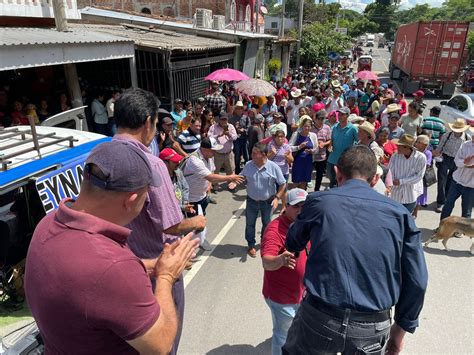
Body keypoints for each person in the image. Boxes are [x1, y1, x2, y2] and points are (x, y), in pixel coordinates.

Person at [25, 140, 200, 354]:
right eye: (147, 195)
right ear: (131, 199)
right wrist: (166, 276)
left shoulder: (47, 224)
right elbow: (161, 345)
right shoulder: (114, 267)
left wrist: (150, 265)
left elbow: (88, 281)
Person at [283, 145, 428, 355]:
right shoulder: (401, 215)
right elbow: (418, 280)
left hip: (320, 318)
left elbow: (293, 242)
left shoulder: (318, 201)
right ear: (374, 179)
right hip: (372, 328)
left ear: (337, 173)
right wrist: (400, 331)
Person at [113, 88, 206, 354]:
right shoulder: (152, 165)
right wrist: (197, 221)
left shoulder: (101, 155)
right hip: (158, 266)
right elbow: (171, 224)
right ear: (147, 123)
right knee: (166, 336)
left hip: (123, 263)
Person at [261, 188, 309, 355]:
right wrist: (280, 260)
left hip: (302, 293)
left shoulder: (306, 223)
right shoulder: (275, 230)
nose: (301, 210)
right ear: (286, 206)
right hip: (282, 298)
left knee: (298, 331)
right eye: (296, 206)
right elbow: (266, 262)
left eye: (305, 205)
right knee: (282, 336)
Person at [230, 143, 286, 258]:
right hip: (251, 201)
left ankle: (264, 242)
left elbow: (282, 184)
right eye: (252, 152)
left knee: (267, 224)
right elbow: (243, 176)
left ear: (264, 155)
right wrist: (235, 181)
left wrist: (277, 198)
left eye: (255, 153)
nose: (252, 155)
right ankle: (251, 245)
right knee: (250, 224)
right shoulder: (248, 165)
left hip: (267, 202)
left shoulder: (273, 167)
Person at [182, 137, 244, 218]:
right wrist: (230, 177)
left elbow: (211, 171)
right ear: (204, 149)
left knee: (202, 217)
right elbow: (211, 177)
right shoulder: (195, 161)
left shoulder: (209, 156)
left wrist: (209, 185)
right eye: (213, 150)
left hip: (202, 196)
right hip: (191, 200)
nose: (215, 152)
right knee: (193, 223)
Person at [433, 118, 469, 213]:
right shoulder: (447, 135)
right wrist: (436, 155)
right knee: (441, 180)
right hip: (445, 158)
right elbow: (440, 146)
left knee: (451, 180)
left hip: (457, 160)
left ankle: (445, 198)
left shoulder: (466, 138)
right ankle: (440, 202)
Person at [440, 128, 474, 220]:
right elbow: (457, 161)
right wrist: (465, 163)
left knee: (466, 211)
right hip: (457, 182)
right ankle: (441, 227)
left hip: (471, 187)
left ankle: (462, 231)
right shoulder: (466, 145)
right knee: (447, 205)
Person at [388, 134, 427, 213]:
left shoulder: (421, 158)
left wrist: (401, 181)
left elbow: (419, 176)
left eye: (399, 146)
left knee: (406, 219)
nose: (397, 148)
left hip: (410, 194)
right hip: (395, 194)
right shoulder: (395, 156)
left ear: (407, 147)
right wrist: (391, 182)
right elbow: (390, 171)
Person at [327, 107, 358, 188]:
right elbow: (331, 140)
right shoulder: (334, 127)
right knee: (332, 183)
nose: (339, 116)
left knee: (343, 183)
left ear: (347, 115)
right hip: (332, 160)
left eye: (342, 114)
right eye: (339, 114)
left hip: (345, 161)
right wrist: (330, 145)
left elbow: (359, 142)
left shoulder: (353, 128)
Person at [289, 117, 319, 190]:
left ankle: (302, 199)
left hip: (308, 162)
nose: (307, 128)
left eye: (309, 126)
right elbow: (289, 147)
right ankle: (292, 199)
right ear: (302, 126)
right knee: (296, 182)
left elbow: (316, 149)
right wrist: (299, 147)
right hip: (298, 161)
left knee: (304, 182)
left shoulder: (313, 135)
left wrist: (312, 151)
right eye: (305, 126)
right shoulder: (296, 134)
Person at [208, 112, 238, 179]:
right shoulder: (213, 127)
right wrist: (219, 135)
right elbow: (209, 137)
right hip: (217, 154)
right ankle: (215, 184)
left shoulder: (231, 126)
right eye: (222, 119)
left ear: (227, 119)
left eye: (225, 119)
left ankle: (231, 184)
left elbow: (235, 137)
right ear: (219, 119)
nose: (224, 121)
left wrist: (229, 134)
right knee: (215, 171)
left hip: (229, 153)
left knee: (230, 170)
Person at [312, 110, 331, 191]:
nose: (320, 121)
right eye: (319, 119)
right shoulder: (311, 128)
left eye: (322, 119)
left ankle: (316, 190)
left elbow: (330, 140)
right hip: (311, 155)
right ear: (315, 119)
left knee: (319, 175)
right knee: (308, 174)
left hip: (322, 155)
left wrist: (324, 144)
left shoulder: (327, 128)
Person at [413, 135, 432, 218]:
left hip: (422, 176)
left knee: (420, 193)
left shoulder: (428, 153)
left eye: (418, 142)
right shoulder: (414, 151)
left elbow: (428, 164)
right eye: (416, 141)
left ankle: (416, 211)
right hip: (413, 174)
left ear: (425, 145)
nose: (416, 143)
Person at [230, 101, 251, 174]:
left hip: (244, 139)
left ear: (242, 109)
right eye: (237, 108)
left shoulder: (246, 118)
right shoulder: (232, 119)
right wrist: (235, 129)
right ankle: (237, 170)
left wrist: (244, 130)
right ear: (235, 109)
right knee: (237, 156)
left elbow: (249, 128)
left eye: (240, 108)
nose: (239, 110)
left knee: (246, 156)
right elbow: (230, 129)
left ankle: (248, 170)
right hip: (236, 140)